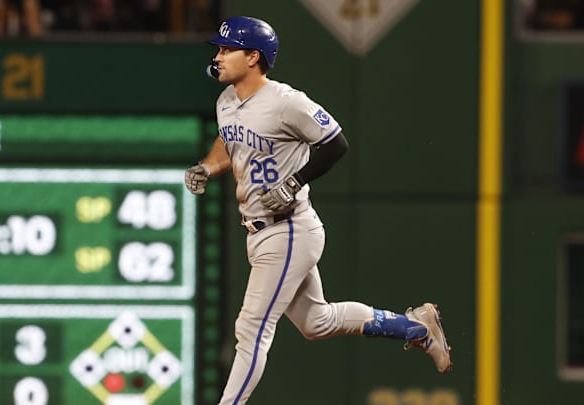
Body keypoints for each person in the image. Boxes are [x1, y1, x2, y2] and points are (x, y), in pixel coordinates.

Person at [184, 16, 453, 404]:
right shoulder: (227, 101)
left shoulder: (285, 101)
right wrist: (207, 166)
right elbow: (229, 142)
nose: (220, 56)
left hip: (288, 228)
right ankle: (415, 328)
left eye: (228, 49)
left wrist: (293, 182)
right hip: (259, 231)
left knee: (252, 327)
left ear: (254, 57)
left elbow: (335, 143)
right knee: (316, 322)